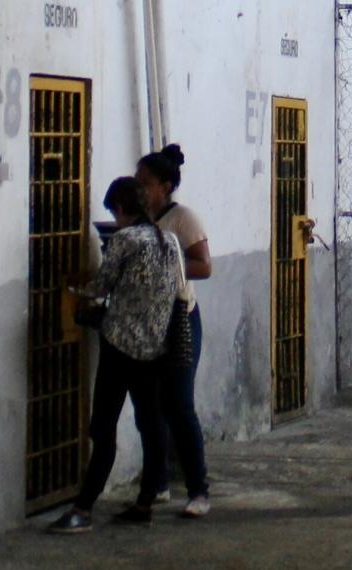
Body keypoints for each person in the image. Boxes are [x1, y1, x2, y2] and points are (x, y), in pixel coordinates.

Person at [49, 177, 181, 534]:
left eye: (114, 211)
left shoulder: (123, 240)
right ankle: (144, 503)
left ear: (121, 208)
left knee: (102, 427)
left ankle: (83, 508)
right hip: (156, 349)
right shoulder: (169, 240)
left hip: (120, 346)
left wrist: (72, 290)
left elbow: (100, 287)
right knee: (152, 426)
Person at [137, 144, 213, 519]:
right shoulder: (136, 220)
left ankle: (198, 489)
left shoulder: (182, 219)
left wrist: (168, 266)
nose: (141, 189)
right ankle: (158, 481)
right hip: (146, 321)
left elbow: (204, 266)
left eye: (146, 183)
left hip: (179, 318)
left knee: (180, 404)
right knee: (151, 406)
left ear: (164, 186)